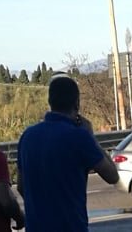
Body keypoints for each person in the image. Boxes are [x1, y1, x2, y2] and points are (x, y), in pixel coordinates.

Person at [16, 75, 119, 231]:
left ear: (50, 102)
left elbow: (21, 186)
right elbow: (112, 176)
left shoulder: (27, 137)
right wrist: (91, 137)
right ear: (76, 103)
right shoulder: (79, 137)